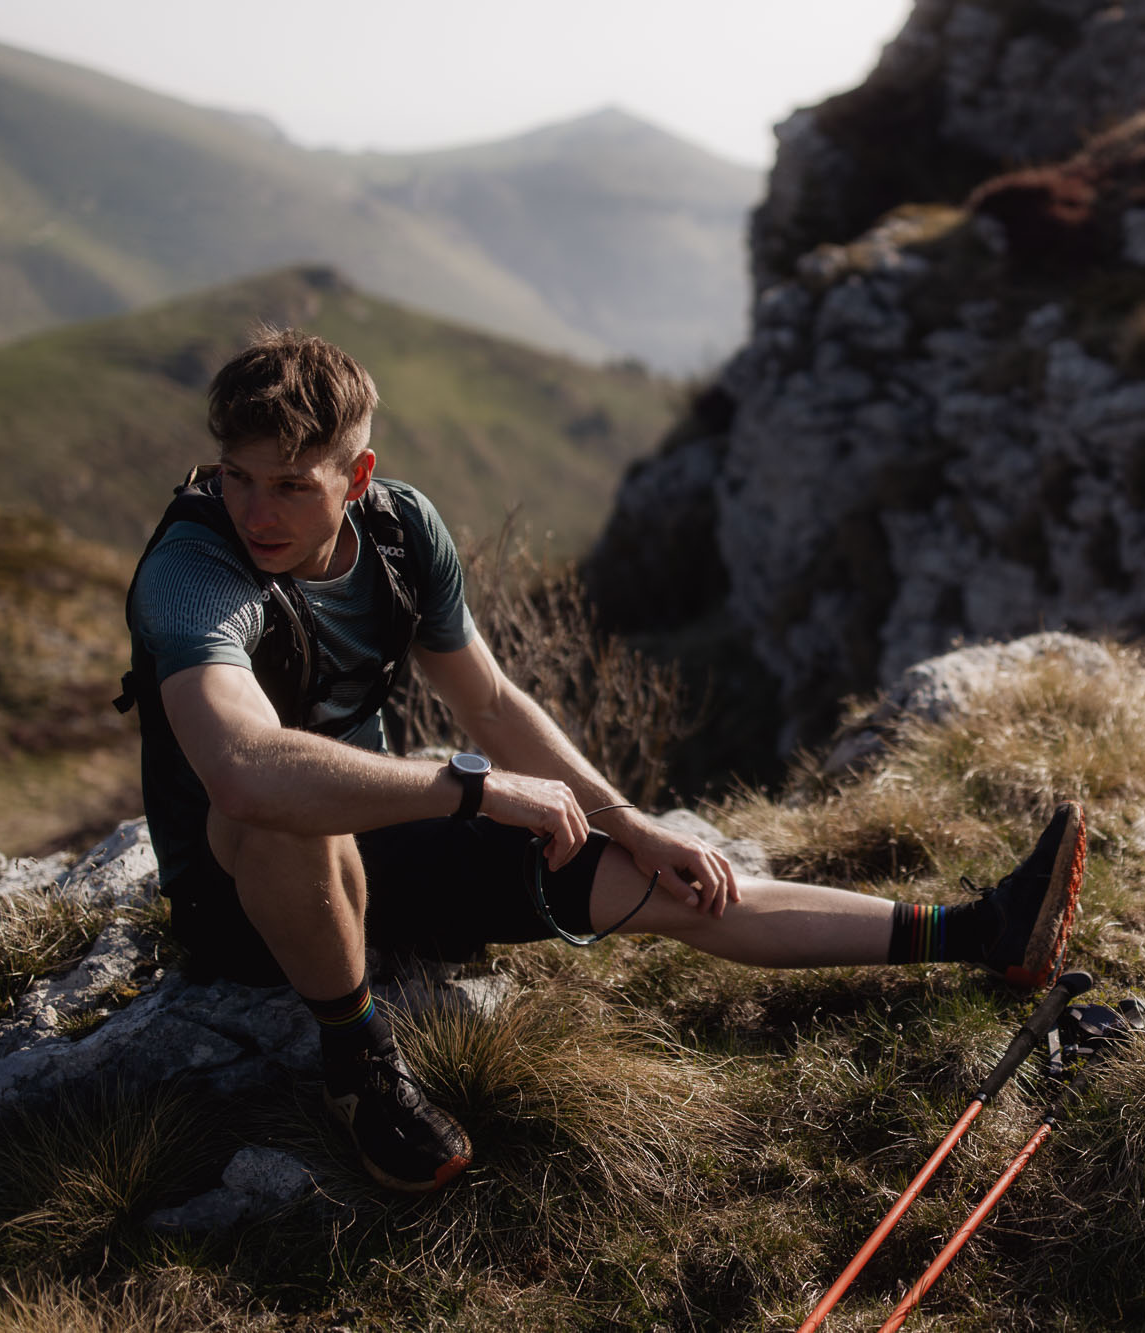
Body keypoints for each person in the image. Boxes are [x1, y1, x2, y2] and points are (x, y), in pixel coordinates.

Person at [121, 328, 1086, 1195]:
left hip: (382, 839)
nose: (257, 511)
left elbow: (491, 702)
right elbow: (243, 769)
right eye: (237, 477)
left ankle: (979, 931)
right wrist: (472, 789)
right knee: (282, 807)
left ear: (358, 475)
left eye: (292, 484)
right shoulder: (195, 572)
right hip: (240, 895)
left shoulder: (401, 534)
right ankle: (359, 1059)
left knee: (673, 885)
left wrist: (626, 822)